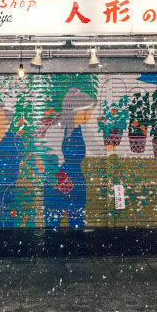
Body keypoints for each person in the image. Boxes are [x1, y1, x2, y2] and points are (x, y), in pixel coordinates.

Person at [42, 88, 95, 228]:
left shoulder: (83, 130)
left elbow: (98, 148)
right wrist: (58, 178)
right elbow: (47, 160)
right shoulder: (56, 130)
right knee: (52, 226)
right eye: (88, 111)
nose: (90, 114)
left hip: (77, 184)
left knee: (77, 227)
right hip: (58, 183)